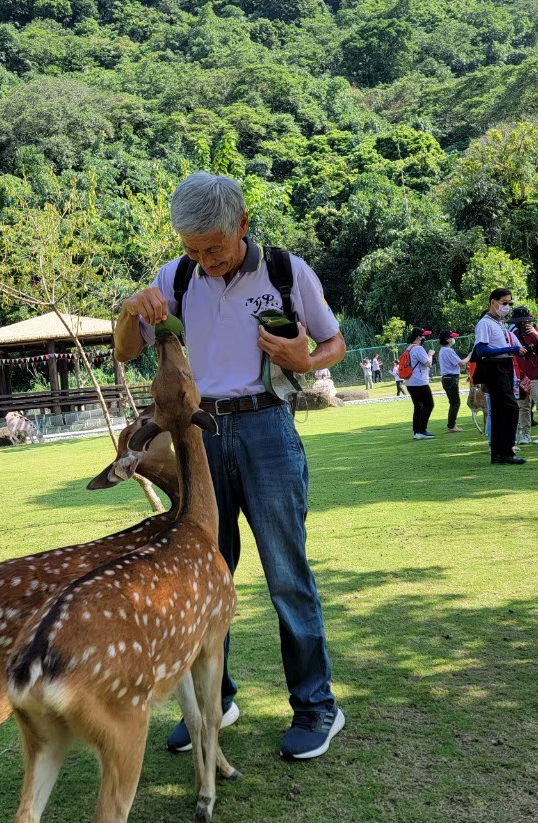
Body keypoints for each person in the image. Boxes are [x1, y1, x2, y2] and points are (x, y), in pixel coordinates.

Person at [115, 171, 347, 761]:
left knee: (287, 576)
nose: (204, 260)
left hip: (268, 426)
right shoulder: (176, 276)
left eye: (214, 248)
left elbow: (333, 344)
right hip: (200, 437)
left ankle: (317, 707)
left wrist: (306, 356)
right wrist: (127, 309)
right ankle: (213, 702)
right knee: (201, 577)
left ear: (242, 225)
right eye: (193, 249)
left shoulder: (287, 272)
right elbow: (127, 349)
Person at [473, 288, 527, 466]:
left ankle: (500, 454)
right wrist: (510, 349)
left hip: (504, 365)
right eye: (504, 303)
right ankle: (504, 452)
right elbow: (482, 350)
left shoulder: (500, 323)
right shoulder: (485, 323)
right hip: (494, 367)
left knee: (500, 411)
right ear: (493, 301)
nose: (507, 306)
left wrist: (518, 351)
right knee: (510, 408)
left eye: (509, 303)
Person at [510, 305, 538, 446]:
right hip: (520, 375)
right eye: (519, 322)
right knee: (523, 407)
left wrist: (535, 333)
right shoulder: (513, 334)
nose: (523, 324)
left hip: (536, 375)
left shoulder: (535, 332)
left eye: (525, 321)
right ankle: (525, 435)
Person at [404, 328, 435, 438]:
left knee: (418, 406)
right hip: (420, 381)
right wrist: (430, 354)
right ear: (418, 337)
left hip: (410, 382)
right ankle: (422, 430)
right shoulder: (418, 348)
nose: (424, 338)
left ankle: (417, 432)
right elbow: (428, 363)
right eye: (423, 336)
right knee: (429, 404)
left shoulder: (409, 348)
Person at [437, 330, 469, 432]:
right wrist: (470, 355)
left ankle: (451, 425)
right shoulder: (448, 351)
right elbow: (461, 363)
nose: (453, 339)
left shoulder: (442, 350)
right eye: (451, 337)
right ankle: (451, 426)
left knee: (453, 402)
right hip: (451, 378)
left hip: (447, 378)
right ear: (447, 339)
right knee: (455, 403)